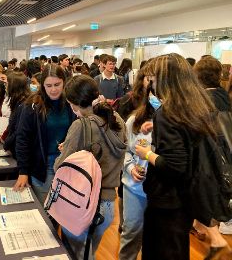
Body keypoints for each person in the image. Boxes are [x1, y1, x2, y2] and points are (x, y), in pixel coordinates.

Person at [135, 53, 217, 260]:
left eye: (153, 79)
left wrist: (148, 154)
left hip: (166, 201)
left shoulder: (168, 113)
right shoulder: (195, 107)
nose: (150, 85)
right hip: (185, 199)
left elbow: (174, 166)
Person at [54, 75, 126, 260]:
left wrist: (67, 151)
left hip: (82, 204)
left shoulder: (81, 126)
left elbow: (60, 167)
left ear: (75, 104)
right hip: (108, 204)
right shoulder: (116, 118)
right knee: (90, 253)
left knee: (76, 254)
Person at [14, 64, 75, 204]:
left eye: (57, 84)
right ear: (42, 85)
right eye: (48, 85)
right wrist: (23, 171)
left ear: (64, 82)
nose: (53, 89)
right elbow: (22, 139)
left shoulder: (71, 104)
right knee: (47, 211)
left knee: (63, 210)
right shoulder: (32, 106)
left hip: (67, 165)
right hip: (44, 167)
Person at [192, 56, 232, 259]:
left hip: (208, 158)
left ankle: (217, 240)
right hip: (225, 156)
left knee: (203, 195)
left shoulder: (202, 102)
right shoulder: (225, 96)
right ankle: (199, 226)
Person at [119, 82, 155, 260]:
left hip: (160, 192)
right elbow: (125, 150)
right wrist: (131, 167)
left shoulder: (173, 123)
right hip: (134, 188)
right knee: (131, 232)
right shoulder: (134, 121)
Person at [2, 72, 31, 157]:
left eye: (7, 84)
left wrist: (6, 143)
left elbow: (18, 130)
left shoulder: (23, 105)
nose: (5, 86)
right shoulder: (17, 101)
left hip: (20, 151)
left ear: (13, 86)